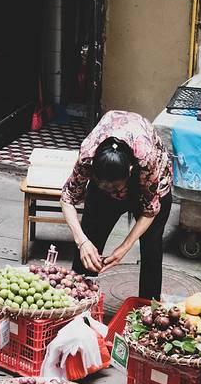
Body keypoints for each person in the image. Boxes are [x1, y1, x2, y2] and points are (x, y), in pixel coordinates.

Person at [61, 110, 173, 299]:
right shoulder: (88, 156)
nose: (111, 192)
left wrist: (124, 247)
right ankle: (77, 303)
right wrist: (82, 242)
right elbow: (67, 198)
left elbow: (150, 210)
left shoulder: (146, 160)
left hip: (151, 188)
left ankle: (147, 307)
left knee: (151, 248)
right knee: (89, 244)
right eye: (104, 186)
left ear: (130, 171)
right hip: (108, 177)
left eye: (115, 188)